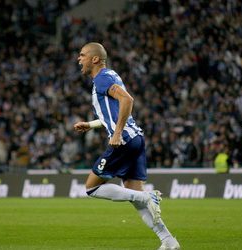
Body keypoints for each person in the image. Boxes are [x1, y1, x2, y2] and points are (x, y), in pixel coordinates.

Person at [74, 42, 180, 250]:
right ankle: (168, 240)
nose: (79, 59)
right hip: (135, 139)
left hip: (124, 140)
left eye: (82, 55)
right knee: (135, 197)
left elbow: (127, 100)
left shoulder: (102, 78)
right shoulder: (111, 76)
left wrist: (117, 132)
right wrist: (92, 124)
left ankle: (147, 196)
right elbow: (113, 111)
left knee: (92, 187)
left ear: (95, 59)